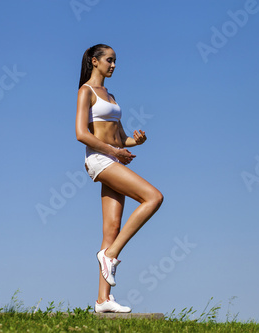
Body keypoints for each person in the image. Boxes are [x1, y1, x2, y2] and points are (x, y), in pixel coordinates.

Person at [75, 44, 164, 313]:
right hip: (100, 160)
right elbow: (81, 133)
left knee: (111, 229)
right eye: (109, 60)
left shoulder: (110, 95)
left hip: (113, 158)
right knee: (153, 197)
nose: (113, 65)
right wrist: (114, 151)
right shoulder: (86, 92)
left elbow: (118, 137)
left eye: (115, 61)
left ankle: (103, 300)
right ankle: (110, 255)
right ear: (95, 61)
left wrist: (134, 142)